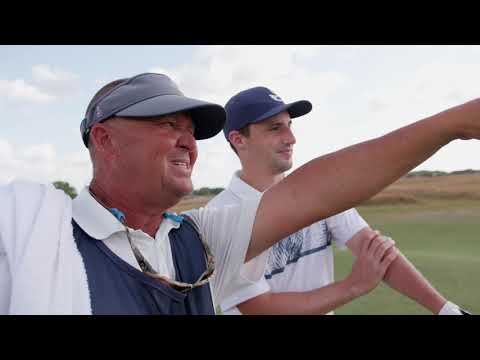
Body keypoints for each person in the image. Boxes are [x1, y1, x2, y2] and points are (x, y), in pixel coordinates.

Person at [0, 72, 479, 314]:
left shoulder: (199, 238)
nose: (188, 141)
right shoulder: (34, 223)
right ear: (103, 139)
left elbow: (319, 187)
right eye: (168, 125)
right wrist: (352, 286)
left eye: (192, 130)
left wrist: (451, 124)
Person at [208, 86, 469, 315]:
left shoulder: (317, 190)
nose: (291, 138)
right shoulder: (220, 215)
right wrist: (352, 286)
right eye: (275, 128)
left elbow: (374, 251)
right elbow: (258, 307)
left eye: (290, 126)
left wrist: (445, 309)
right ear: (238, 140)